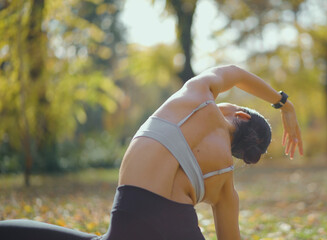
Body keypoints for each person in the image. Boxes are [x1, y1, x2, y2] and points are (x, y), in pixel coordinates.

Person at [0, 65, 303, 240]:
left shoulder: (199, 94)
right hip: (176, 227)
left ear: (243, 116)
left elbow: (235, 73)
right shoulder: (225, 186)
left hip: (131, 213)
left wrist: (283, 104)